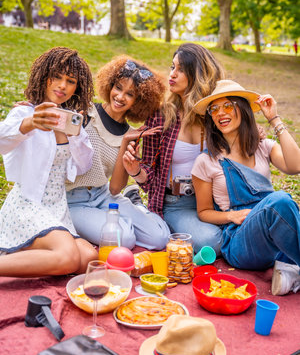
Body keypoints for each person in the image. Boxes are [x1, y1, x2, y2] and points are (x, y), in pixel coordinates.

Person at [191, 79, 300, 295]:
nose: (220, 113)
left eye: (228, 105)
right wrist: (231, 216)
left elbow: (295, 166)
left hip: (272, 236)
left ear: (242, 108)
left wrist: (274, 119)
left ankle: (289, 270)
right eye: (214, 109)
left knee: (279, 205)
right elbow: (203, 212)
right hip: (240, 241)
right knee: (279, 202)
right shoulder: (206, 161)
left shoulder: (263, 147)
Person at [0, 47, 98, 277]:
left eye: (70, 81)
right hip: (27, 205)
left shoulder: (71, 122)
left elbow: (84, 166)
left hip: (56, 208)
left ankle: (25, 251)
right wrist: (29, 123)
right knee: (69, 258)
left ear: (77, 88)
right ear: (44, 77)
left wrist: (75, 136)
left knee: (88, 259)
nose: (62, 85)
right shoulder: (25, 113)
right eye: (56, 77)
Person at [122, 43, 225, 255]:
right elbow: (150, 177)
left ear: (197, 75)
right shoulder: (161, 116)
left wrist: (256, 133)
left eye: (180, 70)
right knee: (212, 241)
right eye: (172, 67)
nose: (172, 74)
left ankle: (149, 218)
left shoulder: (216, 115)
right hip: (176, 203)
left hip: (215, 201)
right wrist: (135, 171)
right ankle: (146, 212)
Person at [66, 55, 171, 250]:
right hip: (73, 200)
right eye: (118, 87)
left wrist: (125, 142)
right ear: (110, 86)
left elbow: (114, 189)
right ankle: (124, 219)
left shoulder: (130, 134)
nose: (120, 97)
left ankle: (135, 206)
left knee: (160, 238)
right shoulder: (85, 113)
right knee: (125, 239)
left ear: (138, 101)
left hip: (104, 195)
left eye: (130, 94)